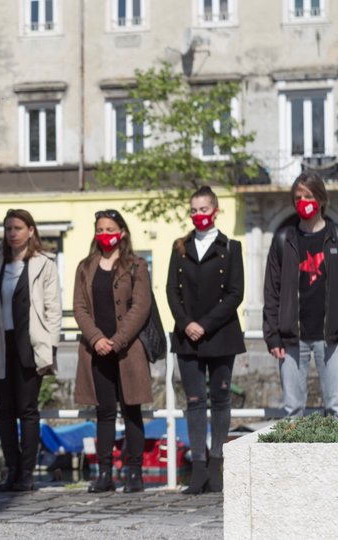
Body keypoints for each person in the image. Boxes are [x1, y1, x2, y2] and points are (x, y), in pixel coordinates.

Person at [0, 209, 61, 492]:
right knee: (4, 411)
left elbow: (53, 309)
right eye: (8, 228)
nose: (12, 233)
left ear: (31, 230)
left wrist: (51, 344)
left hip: (30, 344)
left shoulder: (44, 263)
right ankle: (12, 470)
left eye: (18, 228)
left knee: (28, 410)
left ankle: (27, 473)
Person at [166, 186, 245, 495]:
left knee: (221, 399)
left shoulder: (231, 247)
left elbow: (236, 293)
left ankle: (216, 465)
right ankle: (198, 468)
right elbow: (171, 290)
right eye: (194, 210)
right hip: (188, 338)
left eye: (204, 209)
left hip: (221, 334)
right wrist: (187, 324)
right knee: (195, 401)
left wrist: (205, 324)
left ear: (215, 210)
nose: (199, 215)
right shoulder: (180, 247)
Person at [73, 209, 152, 493]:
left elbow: (140, 307)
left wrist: (116, 341)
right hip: (96, 351)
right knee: (104, 412)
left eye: (110, 229)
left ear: (122, 232)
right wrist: (96, 339)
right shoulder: (85, 267)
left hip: (128, 350)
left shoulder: (136, 265)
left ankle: (134, 473)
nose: (105, 235)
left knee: (132, 410)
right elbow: (79, 308)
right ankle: (104, 473)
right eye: (100, 230)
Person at [263, 172, 338, 418]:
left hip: (331, 337)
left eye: (308, 195)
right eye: (298, 197)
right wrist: (272, 336)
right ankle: (291, 456)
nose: (303, 201)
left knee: (336, 408)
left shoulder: (336, 236)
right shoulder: (284, 239)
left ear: (321, 198)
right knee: (292, 410)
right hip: (292, 338)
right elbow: (271, 290)